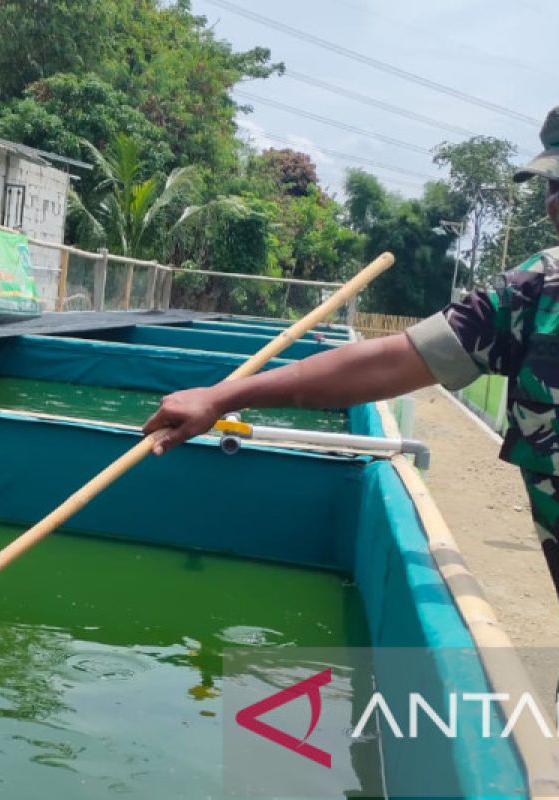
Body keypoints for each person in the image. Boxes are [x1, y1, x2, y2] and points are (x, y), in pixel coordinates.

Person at [144, 106, 559, 596]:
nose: (555, 202)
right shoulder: (535, 291)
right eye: (552, 185)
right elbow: (390, 362)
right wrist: (221, 398)